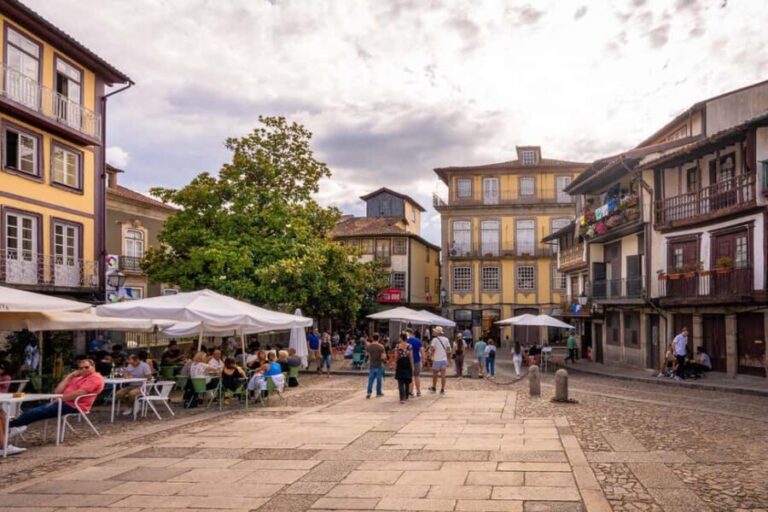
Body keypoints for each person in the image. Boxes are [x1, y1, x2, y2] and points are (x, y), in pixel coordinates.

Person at [0, 358, 104, 455]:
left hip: (75, 405)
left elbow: (79, 393)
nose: (84, 370)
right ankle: (9, 429)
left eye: (87, 367)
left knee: (33, 412)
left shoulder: (95, 378)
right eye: (81, 368)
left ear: (93, 367)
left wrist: (59, 399)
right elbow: (57, 391)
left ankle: (9, 428)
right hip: (62, 402)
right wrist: (70, 376)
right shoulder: (78, 378)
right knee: (30, 412)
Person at [428, 326, 451, 394]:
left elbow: (432, 349)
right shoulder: (446, 339)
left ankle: (434, 387)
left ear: (437, 332)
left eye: (434, 331)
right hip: (444, 359)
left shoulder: (434, 340)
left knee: (435, 374)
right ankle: (442, 389)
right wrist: (448, 358)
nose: (433, 332)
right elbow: (449, 349)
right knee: (443, 375)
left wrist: (430, 354)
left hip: (436, 359)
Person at [395, 332, 414, 404]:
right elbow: (411, 357)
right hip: (407, 362)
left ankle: (401, 398)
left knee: (400, 381)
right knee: (407, 380)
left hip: (400, 362)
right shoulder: (409, 346)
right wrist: (412, 366)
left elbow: (396, 356)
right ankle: (406, 396)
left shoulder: (397, 346)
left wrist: (395, 364)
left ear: (401, 338)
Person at [365, 334, 385, 399]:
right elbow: (383, 356)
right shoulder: (381, 347)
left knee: (371, 379)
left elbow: (367, 354)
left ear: (373, 338)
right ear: (378, 338)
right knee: (379, 379)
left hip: (372, 364)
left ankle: (369, 392)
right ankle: (378, 392)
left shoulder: (369, 346)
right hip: (379, 364)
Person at [406, 329, 423, 396]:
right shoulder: (418, 340)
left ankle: (411, 391)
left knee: (410, 376)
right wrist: (423, 359)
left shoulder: (406, 341)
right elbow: (421, 350)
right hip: (417, 360)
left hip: (409, 361)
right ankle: (418, 391)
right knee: (417, 376)